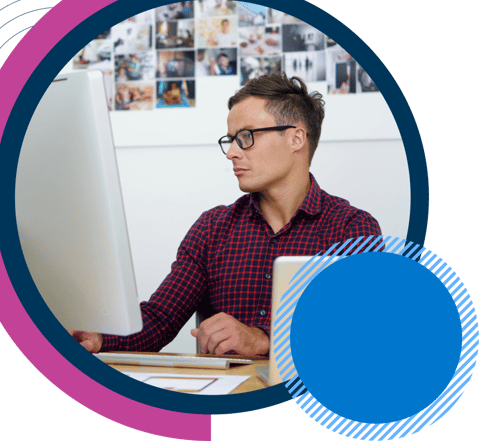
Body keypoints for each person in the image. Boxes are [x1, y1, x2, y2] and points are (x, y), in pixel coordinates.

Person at [70, 73, 381, 356]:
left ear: (296, 138)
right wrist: (100, 338)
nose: (232, 151)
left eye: (246, 136)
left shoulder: (353, 229)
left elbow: (365, 335)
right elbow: (160, 319)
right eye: (230, 139)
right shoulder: (212, 228)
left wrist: (265, 341)